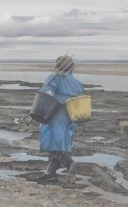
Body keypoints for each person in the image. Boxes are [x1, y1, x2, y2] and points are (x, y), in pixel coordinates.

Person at [37, 55, 85, 184]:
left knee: (54, 144)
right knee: (61, 142)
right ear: (71, 68)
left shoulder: (53, 78)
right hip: (71, 117)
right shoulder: (78, 83)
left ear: (58, 66)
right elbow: (81, 103)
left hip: (55, 113)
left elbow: (45, 94)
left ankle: (71, 164)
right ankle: (50, 173)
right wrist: (79, 123)